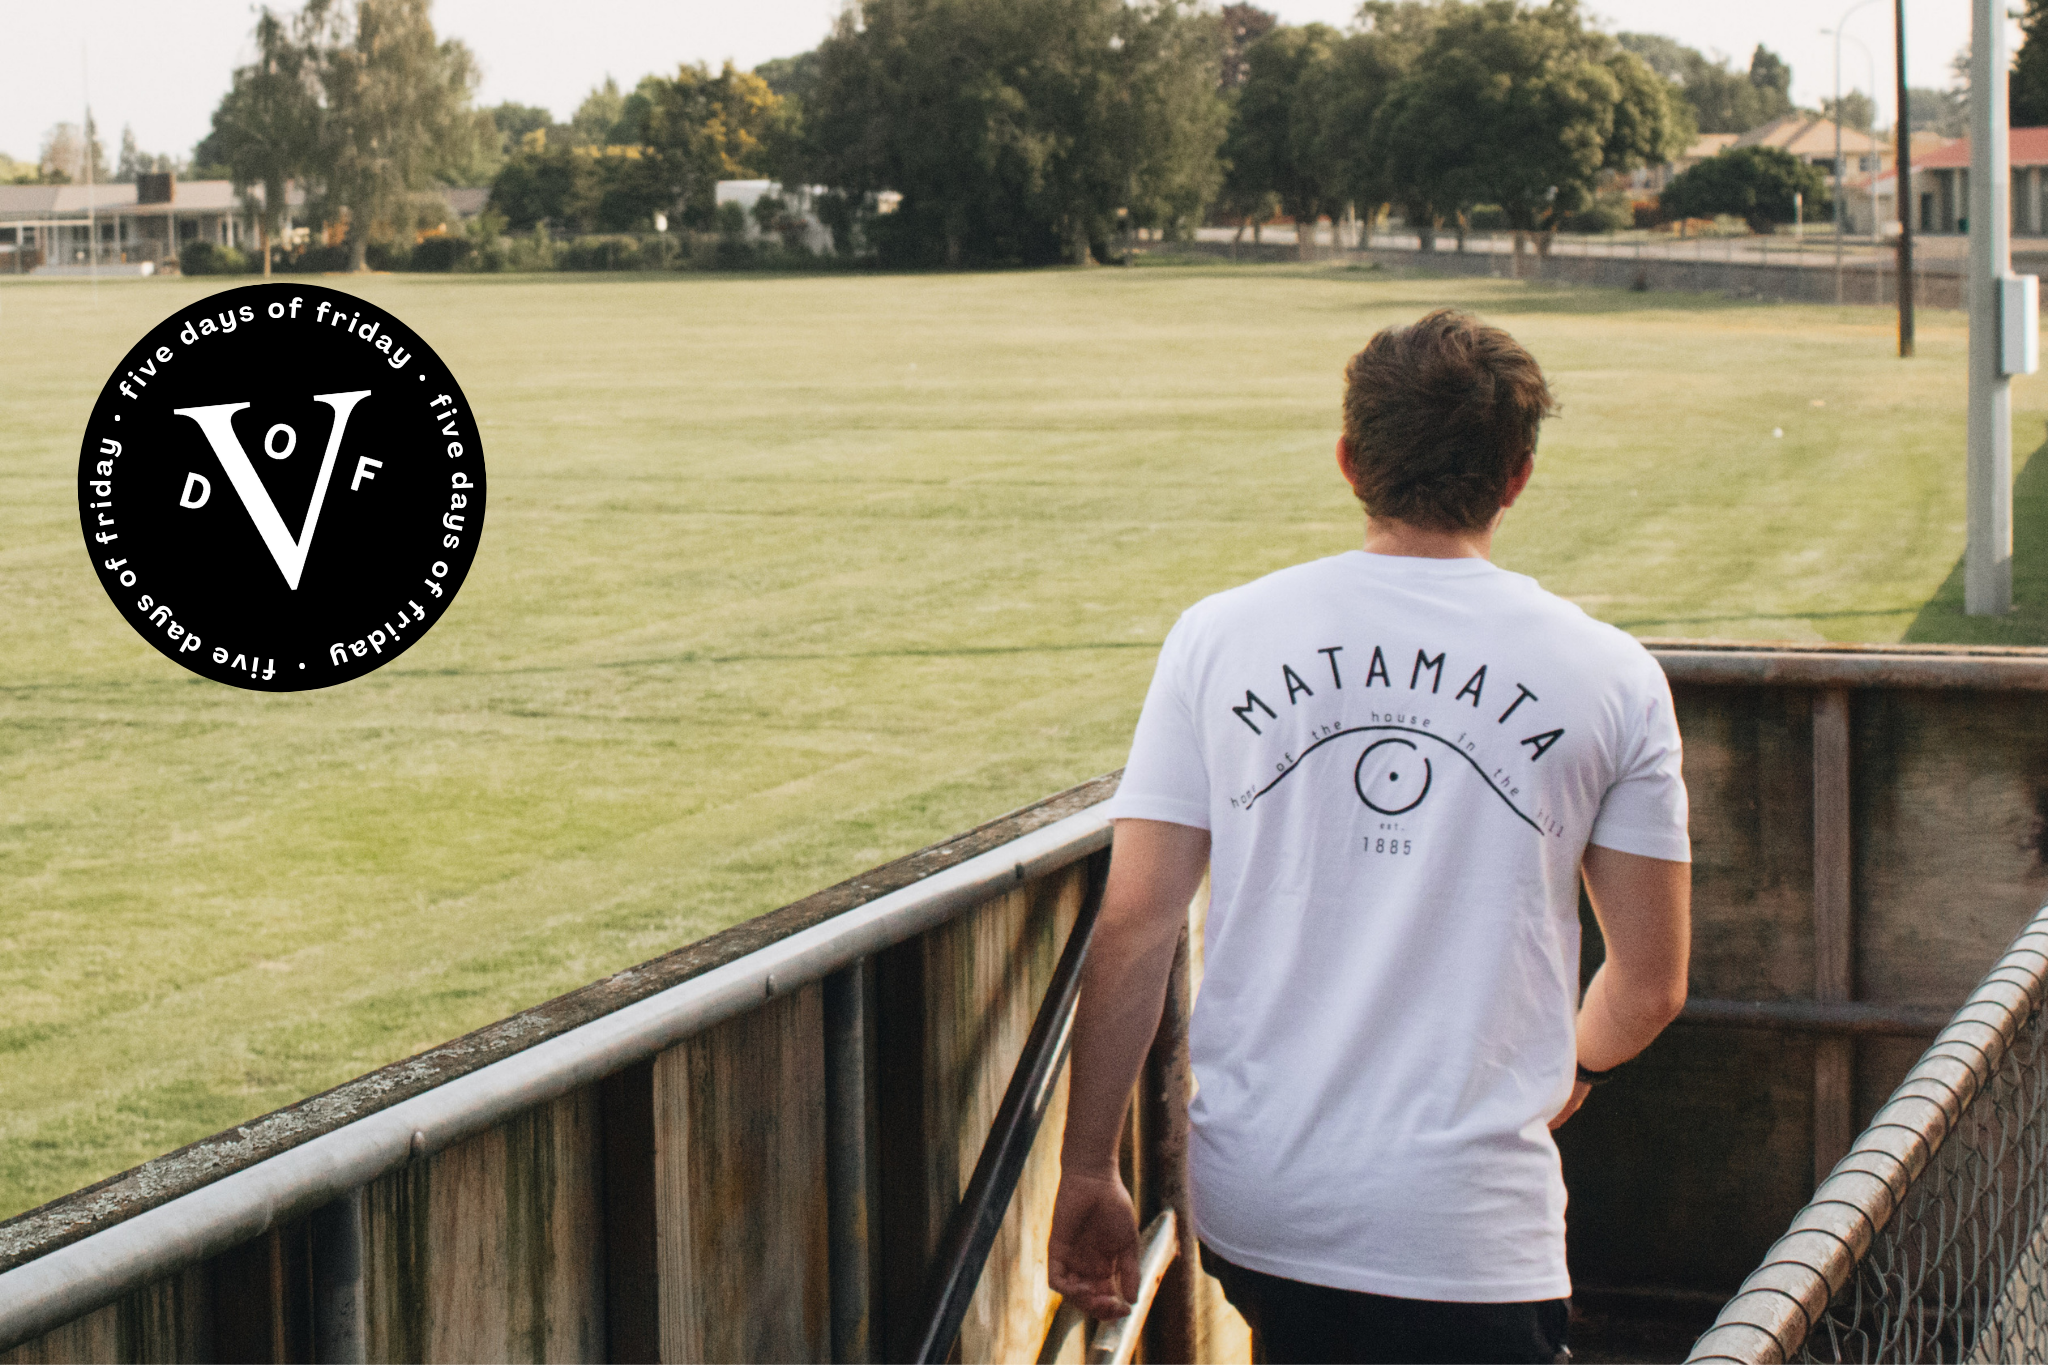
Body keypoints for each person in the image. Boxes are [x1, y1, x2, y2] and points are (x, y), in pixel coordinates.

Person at [1046, 309, 1692, 1365]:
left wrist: (1086, 1170)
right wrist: (1575, 1067)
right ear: (1516, 476)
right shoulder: (1610, 674)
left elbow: (1134, 925)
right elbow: (1651, 983)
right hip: (1467, 1231)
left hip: (1263, 1212)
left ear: (1349, 461)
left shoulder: (1217, 635)